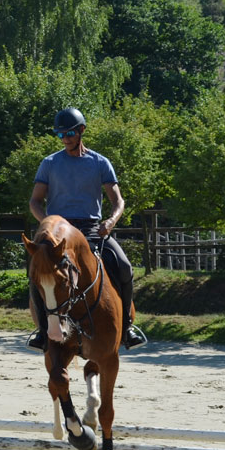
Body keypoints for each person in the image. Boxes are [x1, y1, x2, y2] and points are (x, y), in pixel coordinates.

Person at [28, 106, 147, 351]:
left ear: (81, 130)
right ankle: (42, 331)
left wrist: (111, 221)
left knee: (124, 266)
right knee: (36, 273)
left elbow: (118, 201)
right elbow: (35, 202)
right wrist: (48, 224)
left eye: (69, 133)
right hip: (60, 233)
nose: (65, 139)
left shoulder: (100, 163)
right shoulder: (49, 163)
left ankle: (127, 327)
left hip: (92, 229)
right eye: (60, 135)